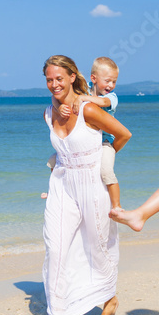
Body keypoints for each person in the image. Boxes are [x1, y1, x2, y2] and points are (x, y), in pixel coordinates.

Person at [34, 55, 132, 315]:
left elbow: (123, 134)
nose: (54, 84)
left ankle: (109, 300)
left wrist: (105, 156)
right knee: (56, 247)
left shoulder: (88, 109)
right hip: (62, 185)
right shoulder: (47, 113)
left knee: (98, 246)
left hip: (91, 184)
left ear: (73, 77)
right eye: (49, 79)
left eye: (59, 78)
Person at [55, 56, 124, 210]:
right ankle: (57, 191)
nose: (111, 85)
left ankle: (117, 206)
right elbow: (56, 97)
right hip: (85, 142)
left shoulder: (111, 97)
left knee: (106, 172)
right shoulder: (84, 90)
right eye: (107, 81)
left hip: (105, 142)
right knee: (54, 160)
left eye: (114, 81)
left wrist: (82, 99)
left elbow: (102, 102)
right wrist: (59, 107)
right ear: (94, 78)